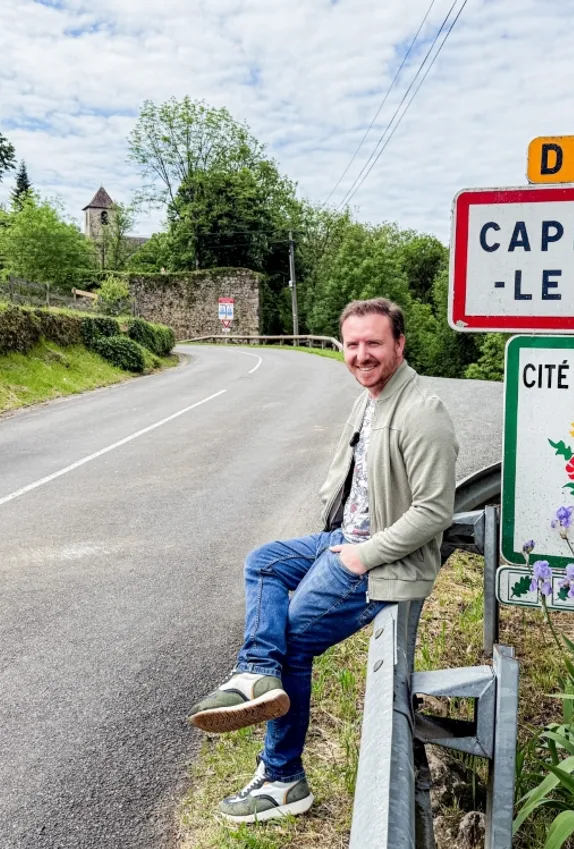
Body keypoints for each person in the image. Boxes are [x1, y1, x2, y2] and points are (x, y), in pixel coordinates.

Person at [186, 297, 459, 823]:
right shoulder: (372, 399)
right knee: (263, 561)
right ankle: (255, 673)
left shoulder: (422, 413)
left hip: (379, 561)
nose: (361, 355)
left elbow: (434, 511)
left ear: (399, 345)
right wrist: (343, 539)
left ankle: (284, 778)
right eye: (352, 345)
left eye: (373, 343)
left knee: (291, 638)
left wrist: (360, 556)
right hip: (345, 537)